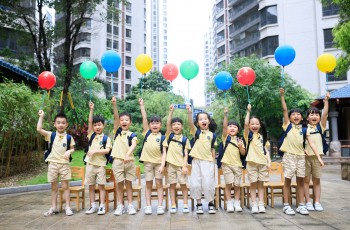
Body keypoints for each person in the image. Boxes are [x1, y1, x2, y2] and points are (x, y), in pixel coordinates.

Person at [279, 88, 324, 215]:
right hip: (289, 156)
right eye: (293, 114)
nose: (296, 116)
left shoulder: (305, 129)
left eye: (298, 114)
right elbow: (284, 110)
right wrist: (282, 96)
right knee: (287, 181)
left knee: (300, 181)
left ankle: (301, 205)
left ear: (301, 117)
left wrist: (319, 157)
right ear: (290, 117)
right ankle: (286, 205)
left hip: (300, 157)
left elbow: (312, 143)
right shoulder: (287, 125)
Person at [37, 110, 75, 216]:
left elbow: (72, 149)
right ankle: (53, 208)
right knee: (54, 187)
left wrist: (69, 151)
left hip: (64, 164)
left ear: (66, 124)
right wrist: (41, 116)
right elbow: (39, 129)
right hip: (52, 164)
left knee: (65, 186)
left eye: (63, 123)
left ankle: (68, 207)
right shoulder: (51, 135)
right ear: (54, 124)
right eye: (58, 122)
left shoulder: (69, 137)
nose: (61, 125)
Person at [186, 104, 217, 214]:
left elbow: (212, 149)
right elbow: (190, 123)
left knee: (208, 183)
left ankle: (210, 203)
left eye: (205, 118)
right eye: (200, 119)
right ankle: (199, 203)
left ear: (209, 121)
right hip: (196, 161)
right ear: (197, 123)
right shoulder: (196, 132)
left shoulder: (213, 135)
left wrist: (213, 163)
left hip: (208, 162)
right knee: (195, 183)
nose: (203, 120)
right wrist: (189, 113)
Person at [139, 98, 167, 215]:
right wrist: (142, 106)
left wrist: (162, 165)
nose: (154, 125)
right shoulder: (147, 133)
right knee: (149, 184)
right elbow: (144, 119)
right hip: (148, 163)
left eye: (157, 123)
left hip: (158, 164)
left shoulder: (163, 137)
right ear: (149, 125)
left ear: (160, 125)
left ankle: (160, 206)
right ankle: (148, 206)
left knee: (159, 184)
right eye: (153, 123)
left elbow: (164, 152)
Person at [110, 97, 138, 216]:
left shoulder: (132, 134)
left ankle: (130, 205)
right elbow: (116, 117)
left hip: (129, 162)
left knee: (129, 184)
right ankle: (120, 205)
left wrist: (127, 154)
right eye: (122, 120)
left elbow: (134, 144)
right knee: (120, 184)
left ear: (130, 122)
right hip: (117, 161)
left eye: (127, 120)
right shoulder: (116, 131)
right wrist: (114, 105)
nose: (124, 121)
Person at [84, 101, 112, 215]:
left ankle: (101, 206)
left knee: (101, 186)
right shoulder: (91, 135)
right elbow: (89, 122)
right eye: (95, 125)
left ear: (103, 125)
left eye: (99, 124)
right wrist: (91, 109)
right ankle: (92, 206)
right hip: (90, 164)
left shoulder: (106, 138)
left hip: (101, 166)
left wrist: (95, 151)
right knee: (91, 186)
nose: (97, 127)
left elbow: (107, 150)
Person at [304, 92, 329, 211]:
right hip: (305, 157)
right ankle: (308, 202)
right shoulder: (304, 129)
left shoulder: (320, 127)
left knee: (317, 180)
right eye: (311, 114)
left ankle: (317, 202)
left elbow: (325, 114)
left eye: (316, 115)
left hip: (318, 157)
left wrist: (326, 102)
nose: (314, 116)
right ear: (307, 117)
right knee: (305, 180)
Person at [244, 104, 271, 213]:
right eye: (252, 123)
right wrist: (248, 111)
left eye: (257, 123)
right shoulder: (247, 136)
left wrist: (269, 161)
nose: (254, 125)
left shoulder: (262, 137)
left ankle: (261, 203)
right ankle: (254, 204)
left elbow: (265, 151)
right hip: (251, 163)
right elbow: (245, 124)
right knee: (253, 184)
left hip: (262, 163)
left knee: (261, 185)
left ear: (260, 125)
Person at [166, 105, 191, 214]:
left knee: (183, 185)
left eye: (178, 124)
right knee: (171, 185)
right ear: (171, 127)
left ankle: (185, 204)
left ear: (182, 126)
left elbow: (186, 154)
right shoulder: (169, 136)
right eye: (174, 124)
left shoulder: (185, 139)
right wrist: (171, 112)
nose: (176, 126)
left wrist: (185, 166)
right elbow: (167, 124)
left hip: (181, 166)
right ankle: (173, 204)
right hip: (170, 165)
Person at [220, 107, 246, 213]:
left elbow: (243, 153)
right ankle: (229, 203)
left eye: (235, 127)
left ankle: (236, 202)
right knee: (228, 184)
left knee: (237, 184)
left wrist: (240, 147)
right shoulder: (225, 137)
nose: (232, 128)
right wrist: (225, 115)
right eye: (230, 126)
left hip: (238, 165)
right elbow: (224, 127)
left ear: (238, 130)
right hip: (226, 164)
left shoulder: (240, 139)